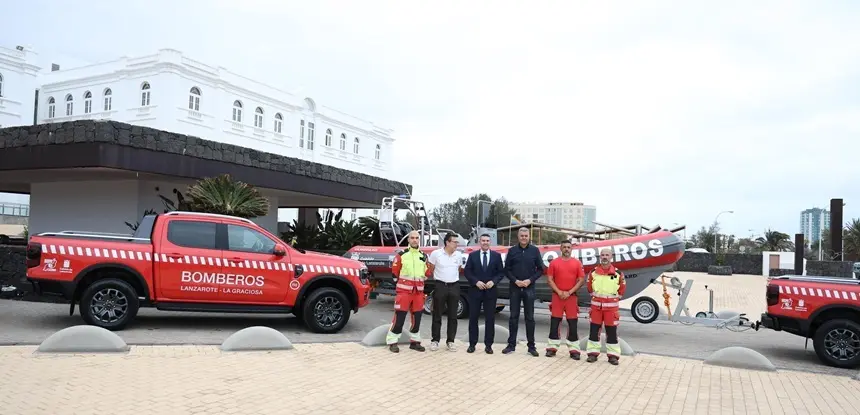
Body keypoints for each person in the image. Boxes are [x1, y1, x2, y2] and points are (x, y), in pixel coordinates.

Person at [386, 231, 431, 353]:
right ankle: (392, 342)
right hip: (404, 292)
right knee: (399, 318)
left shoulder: (423, 256)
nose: (415, 240)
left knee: (417, 318)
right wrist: (402, 286)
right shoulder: (402, 255)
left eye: (417, 238)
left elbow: (427, 271)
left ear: (419, 240)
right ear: (408, 240)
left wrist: (423, 278)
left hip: (418, 293)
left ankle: (415, 342)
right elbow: (395, 272)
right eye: (412, 238)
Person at [502, 227, 545, 357]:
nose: (524, 238)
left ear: (529, 236)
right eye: (522, 236)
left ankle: (531, 347)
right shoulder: (512, 251)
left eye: (526, 236)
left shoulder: (534, 250)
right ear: (518, 236)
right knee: (513, 317)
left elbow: (541, 269)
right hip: (515, 288)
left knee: (530, 318)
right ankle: (511, 345)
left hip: (529, 288)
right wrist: (515, 280)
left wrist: (529, 280)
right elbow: (506, 270)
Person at [463, 233, 505, 354]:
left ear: (490, 242)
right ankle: (472, 344)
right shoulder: (473, 256)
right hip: (475, 291)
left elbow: (501, 273)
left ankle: (488, 345)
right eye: (483, 240)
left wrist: (494, 281)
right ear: (479, 242)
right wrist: (476, 282)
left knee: (490, 319)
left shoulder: (496, 256)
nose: (485, 242)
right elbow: (467, 271)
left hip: (490, 292)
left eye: (487, 240)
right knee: (473, 318)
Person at [585, 247, 626, 365]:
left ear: (611, 257)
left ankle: (613, 356)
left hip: (611, 309)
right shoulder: (593, 272)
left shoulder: (618, 273)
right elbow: (589, 287)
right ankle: (592, 354)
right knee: (594, 331)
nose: (604, 257)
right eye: (602, 255)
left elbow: (622, 289)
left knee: (611, 332)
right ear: (600, 257)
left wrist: (613, 298)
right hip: (596, 308)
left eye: (607, 255)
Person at [545, 239, 586, 359]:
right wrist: (559, 292)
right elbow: (549, 279)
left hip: (571, 297)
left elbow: (581, 280)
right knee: (555, 323)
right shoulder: (554, 263)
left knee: (572, 323)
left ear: (571, 249)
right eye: (564, 247)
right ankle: (552, 348)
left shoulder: (577, 263)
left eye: (568, 247)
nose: (566, 249)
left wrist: (569, 292)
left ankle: (574, 350)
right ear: (560, 248)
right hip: (557, 296)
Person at [427, 232, 466, 352]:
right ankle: (435, 340)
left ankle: (450, 341)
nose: (456, 244)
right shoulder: (436, 254)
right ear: (447, 242)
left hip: (454, 286)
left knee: (453, 315)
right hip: (440, 286)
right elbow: (431, 269)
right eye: (454, 242)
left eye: (457, 242)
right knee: (437, 314)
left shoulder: (458, 255)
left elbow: (458, 269)